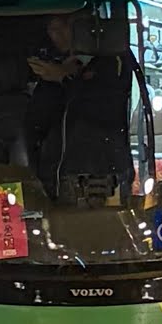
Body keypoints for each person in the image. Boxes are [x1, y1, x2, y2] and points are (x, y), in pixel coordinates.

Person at [25, 12, 135, 203]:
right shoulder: (52, 72)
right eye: (53, 29)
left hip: (102, 178)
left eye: (66, 25)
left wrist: (65, 78)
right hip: (56, 178)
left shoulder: (112, 62)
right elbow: (36, 123)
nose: (59, 35)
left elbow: (103, 106)